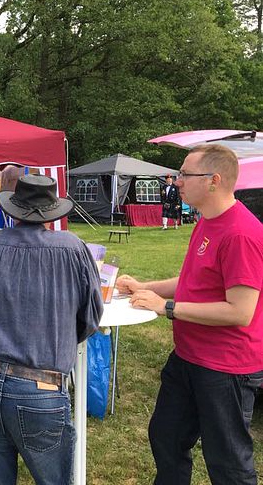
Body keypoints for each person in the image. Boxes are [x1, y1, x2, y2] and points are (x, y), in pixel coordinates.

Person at [118, 144, 263, 485]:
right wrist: (146, 285)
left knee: (227, 460)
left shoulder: (241, 234)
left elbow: (240, 311)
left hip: (225, 367)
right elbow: (193, 281)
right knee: (166, 438)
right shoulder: (207, 221)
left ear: (214, 181)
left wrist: (166, 307)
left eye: (185, 174)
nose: (178, 181)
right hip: (188, 357)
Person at [0, 174, 103, 485]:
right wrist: (58, 336)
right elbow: (91, 316)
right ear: (53, 211)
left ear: (13, 209)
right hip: (38, 385)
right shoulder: (72, 248)